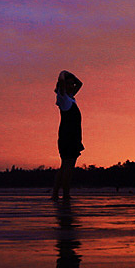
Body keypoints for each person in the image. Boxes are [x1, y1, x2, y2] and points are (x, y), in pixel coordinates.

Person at [52, 70, 83, 200]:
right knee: (68, 167)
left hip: (72, 137)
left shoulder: (70, 98)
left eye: (72, 84)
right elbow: (61, 81)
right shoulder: (63, 98)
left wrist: (71, 76)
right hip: (68, 137)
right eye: (68, 84)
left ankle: (56, 194)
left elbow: (80, 84)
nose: (72, 86)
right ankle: (65, 194)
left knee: (65, 166)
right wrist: (63, 73)